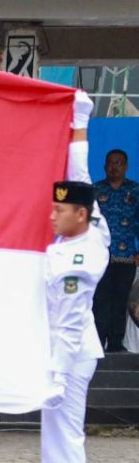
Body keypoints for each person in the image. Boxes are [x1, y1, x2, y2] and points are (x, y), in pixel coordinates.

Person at [12, 90, 108, 463]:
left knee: (64, 438)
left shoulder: (80, 260)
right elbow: (81, 174)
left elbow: (69, 324)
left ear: (80, 215)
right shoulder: (93, 225)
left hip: (69, 357)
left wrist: (56, 372)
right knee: (56, 438)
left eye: (59, 210)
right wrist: (79, 121)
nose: (51, 216)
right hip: (64, 352)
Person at [90, 148, 139, 352]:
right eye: (110, 162)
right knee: (100, 301)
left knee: (121, 302)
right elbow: (85, 223)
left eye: (118, 163)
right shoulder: (94, 190)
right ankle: (98, 343)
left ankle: (116, 345)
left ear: (126, 166)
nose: (114, 166)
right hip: (99, 257)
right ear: (104, 166)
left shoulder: (136, 191)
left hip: (127, 257)